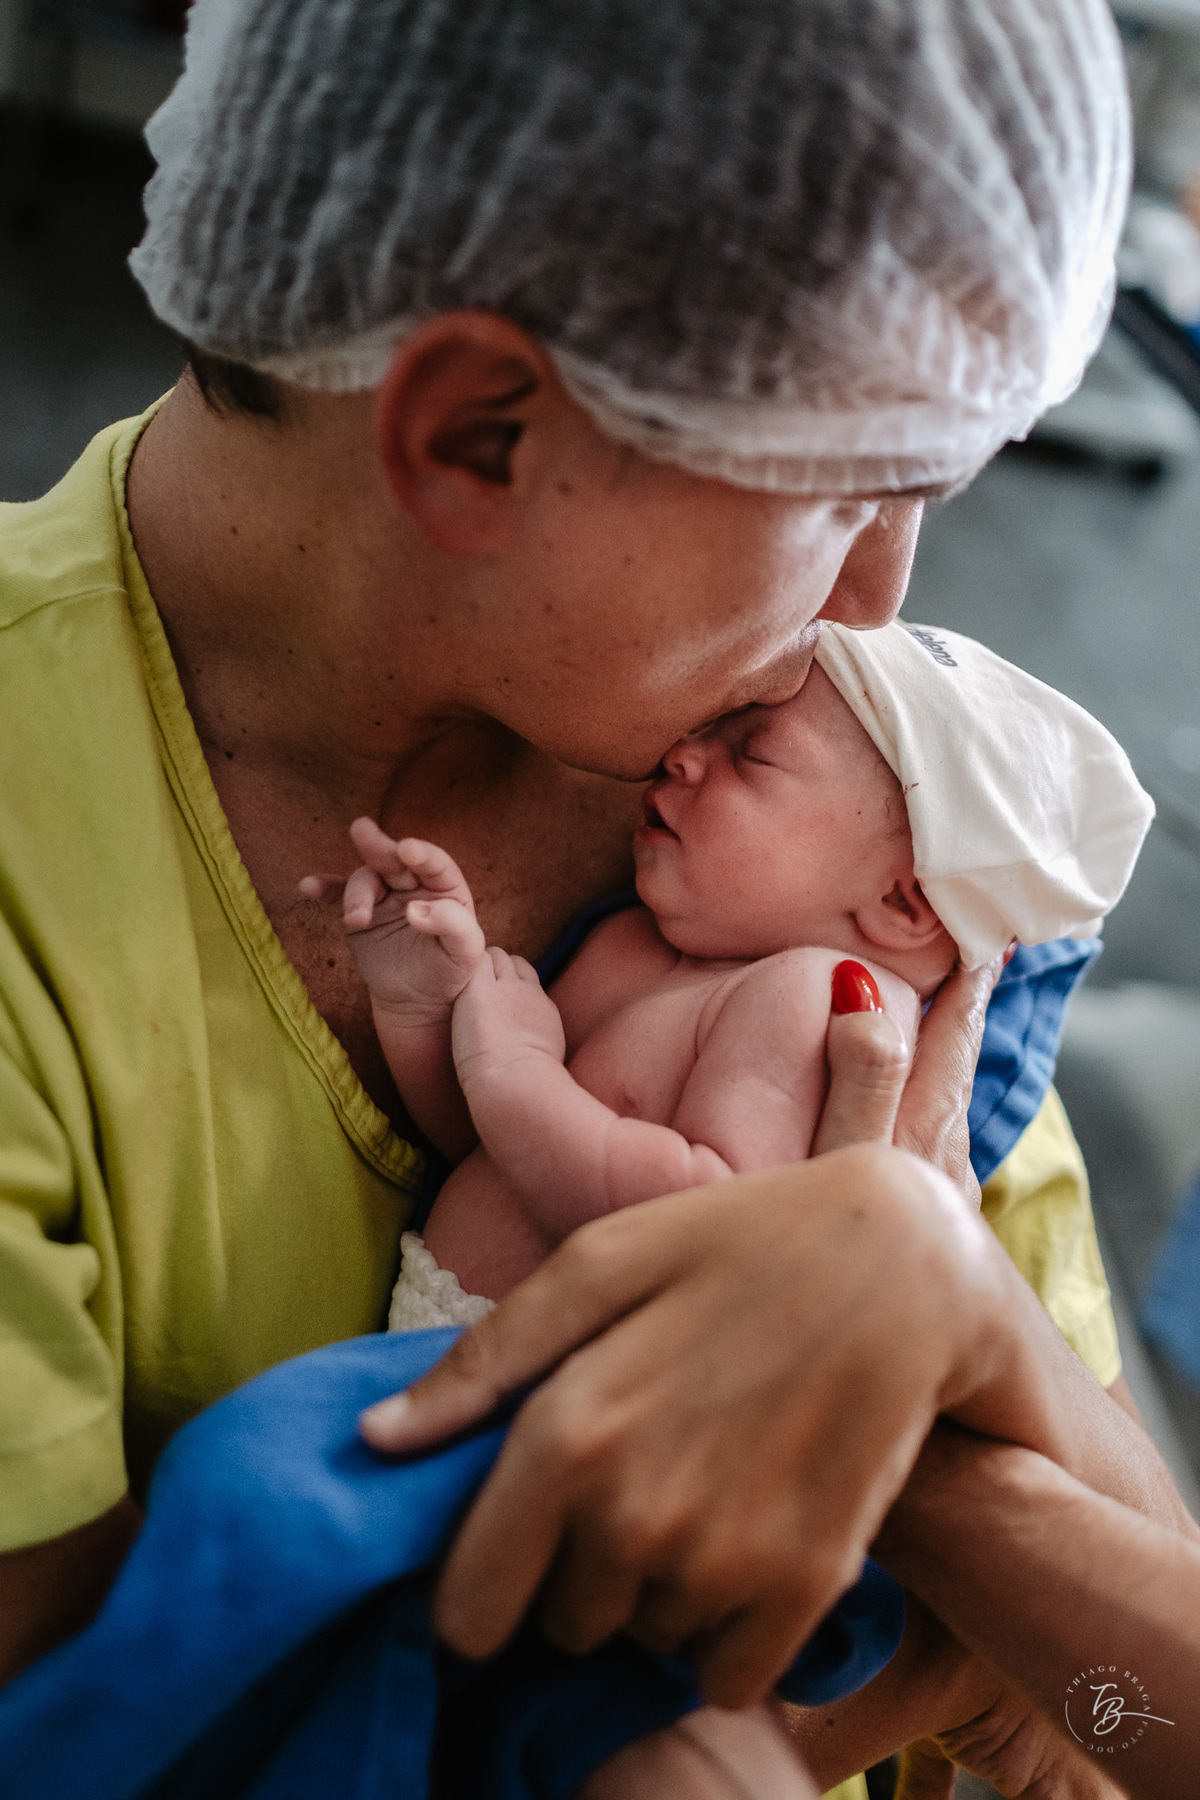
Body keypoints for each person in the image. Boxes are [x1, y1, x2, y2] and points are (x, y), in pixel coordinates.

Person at [0, 0, 1187, 1794]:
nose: (881, 610)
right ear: (478, 433)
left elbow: (1131, 1720)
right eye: (856, 492)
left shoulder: (808, 781)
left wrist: (948, 1305)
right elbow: (126, 1735)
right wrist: (902, 1552)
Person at [312, 622, 1148, 1326]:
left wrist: (512, 1069)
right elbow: (491, 1145)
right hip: (431, 1345)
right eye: (709, 726)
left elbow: (696, 1222)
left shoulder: (824, 1003)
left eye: (751, 754)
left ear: (903, 901)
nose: (683, 754)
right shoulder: (634, 947)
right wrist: (424, 1004)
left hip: (552, 1405)